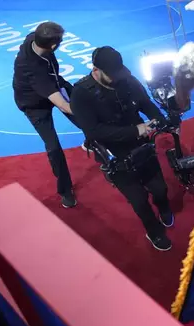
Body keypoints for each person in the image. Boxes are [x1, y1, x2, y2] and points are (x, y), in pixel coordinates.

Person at [69, 46, 174, 251]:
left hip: (142, 146)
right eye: (112, 74)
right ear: (96, 70)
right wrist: (136, 130)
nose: (117, 78)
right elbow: (93, 132)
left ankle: (163, 207)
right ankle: (154, 231)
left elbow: (145, 103)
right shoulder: (81, 93)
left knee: (160, 188)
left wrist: (160, 119)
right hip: (115, 156)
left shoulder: (126, 79)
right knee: (139, 200)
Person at [13, 21, 80, 208]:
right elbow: (64, 106)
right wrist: (83, 111)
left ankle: (96, 146)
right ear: (53, 46)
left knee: (85, 120)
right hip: (35, 105)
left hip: (55, 82)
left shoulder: (33, 39)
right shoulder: (34, 72)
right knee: (54, 147)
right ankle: (65, 190)